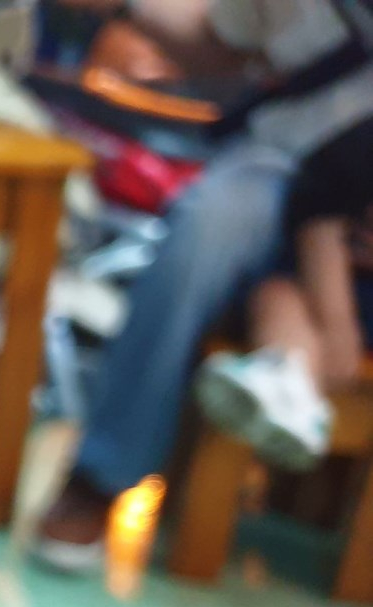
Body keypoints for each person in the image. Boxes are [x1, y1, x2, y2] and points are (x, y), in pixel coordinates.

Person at [34, 0, 373, 572]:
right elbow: (223, 44)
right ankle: (103, 473)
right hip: (284, 159)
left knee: (296, 293)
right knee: (204, 232)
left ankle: (296, 419)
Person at [196, 116, 373, 470]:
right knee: (274, 294)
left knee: (277, 294)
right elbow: (318, 216)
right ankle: (290, 390)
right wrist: (337, 324)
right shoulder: (360, 144)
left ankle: (293, 393)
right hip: (327, 285)